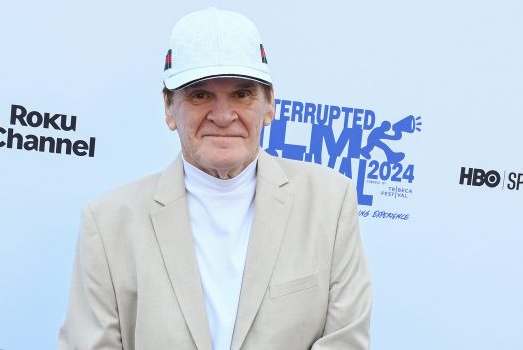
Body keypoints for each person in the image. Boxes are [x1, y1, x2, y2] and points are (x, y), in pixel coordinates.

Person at [59, 7, 371, 350]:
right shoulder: (108, 224)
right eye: (200, 95)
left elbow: (346, 342)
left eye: (242, 94)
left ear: (269, 105)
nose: (223, 116)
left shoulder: (329, 202)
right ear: (169, 108)